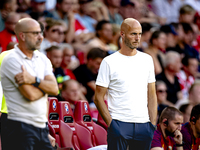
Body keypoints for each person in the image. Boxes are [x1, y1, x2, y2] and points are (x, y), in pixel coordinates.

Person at [94, 18, 157, 150]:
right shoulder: (109, 62)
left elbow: (151, 93)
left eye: (139, 34)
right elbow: (98, 97)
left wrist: (152, 123)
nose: (137, 38)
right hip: (119, 122)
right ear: (122, 34)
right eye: (133, 34)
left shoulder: (147, 59)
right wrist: (112, 125)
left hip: (144, 124)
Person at [0, 18, 58, 150]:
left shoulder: (44, 59)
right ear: (22, 36)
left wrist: (33, 80)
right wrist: (43, 86)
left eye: (41, 33)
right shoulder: (7, 58)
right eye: (35, 33)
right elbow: (30, 95)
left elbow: (54, 90)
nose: (40, 37)